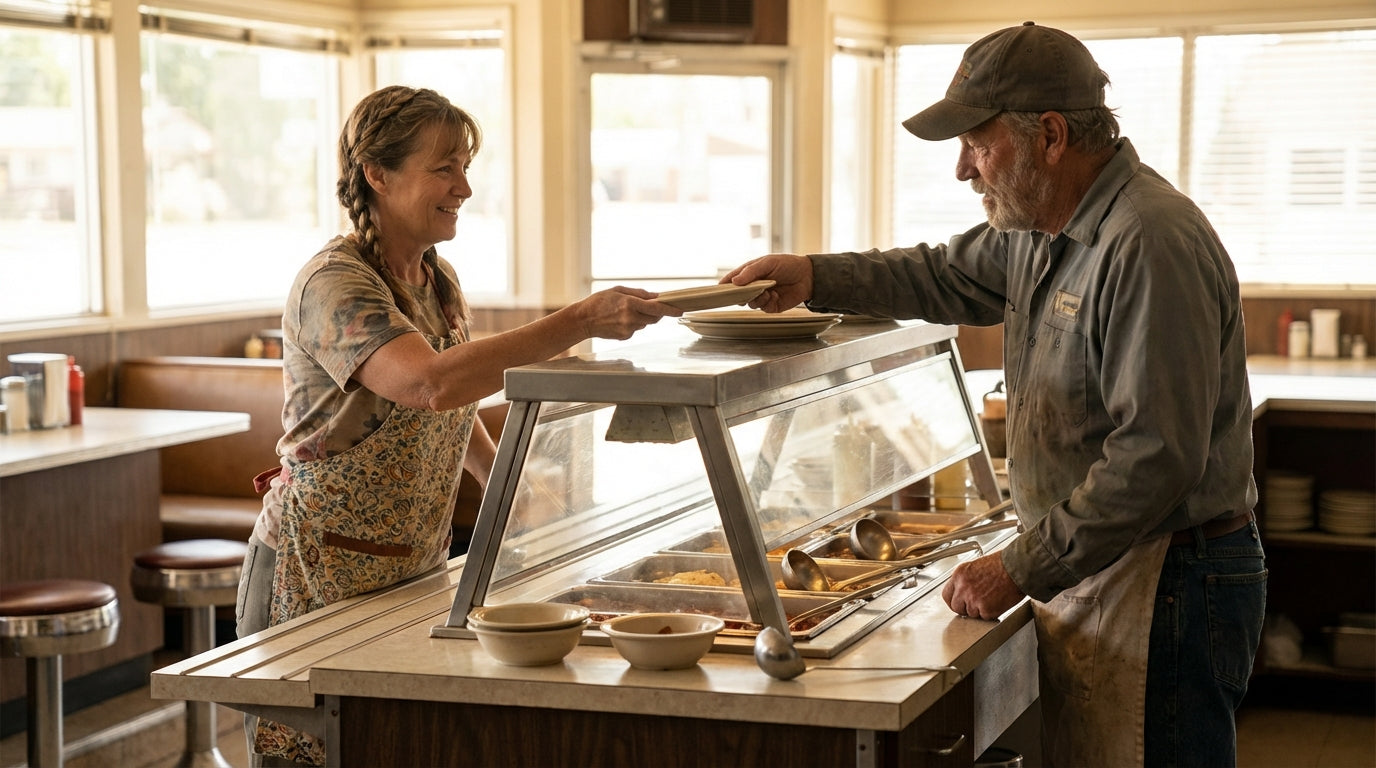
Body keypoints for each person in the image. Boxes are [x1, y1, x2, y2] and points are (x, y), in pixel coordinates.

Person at [722, 22, 1264, 768]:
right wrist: (817, 275)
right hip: (1109, 565)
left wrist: (1019, 566)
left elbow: (1155, 459)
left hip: (1168, 578)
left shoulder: (1147, 241)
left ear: (1048, 136)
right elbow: (939, 275)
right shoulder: (1038, 229)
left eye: (978, 144)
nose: (963, 171)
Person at [234, 85, 680, 766]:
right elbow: (426, 383)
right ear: (377, 175)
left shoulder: (438, 281)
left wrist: (512, 488)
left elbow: (454, 403)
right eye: (444, 168)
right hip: (314, 572)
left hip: (410, 565)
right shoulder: (335, 283)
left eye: (466, 167)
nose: (464, 188)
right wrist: (580, 320)